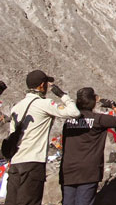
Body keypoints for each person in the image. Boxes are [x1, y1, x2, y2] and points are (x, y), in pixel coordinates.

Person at [5, 70, 81, 205]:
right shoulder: (44, 104)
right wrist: (61, 94)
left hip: (16, 163)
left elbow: (12, 134)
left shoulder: (16, 107)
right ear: (42, 85)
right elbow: (74, 112)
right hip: (33, 162)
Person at [60, 87, 116, 204]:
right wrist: (113, 105)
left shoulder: (68, 122)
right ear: (93, 101)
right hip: (88, 171)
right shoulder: (98, 119)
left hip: (67, 170)